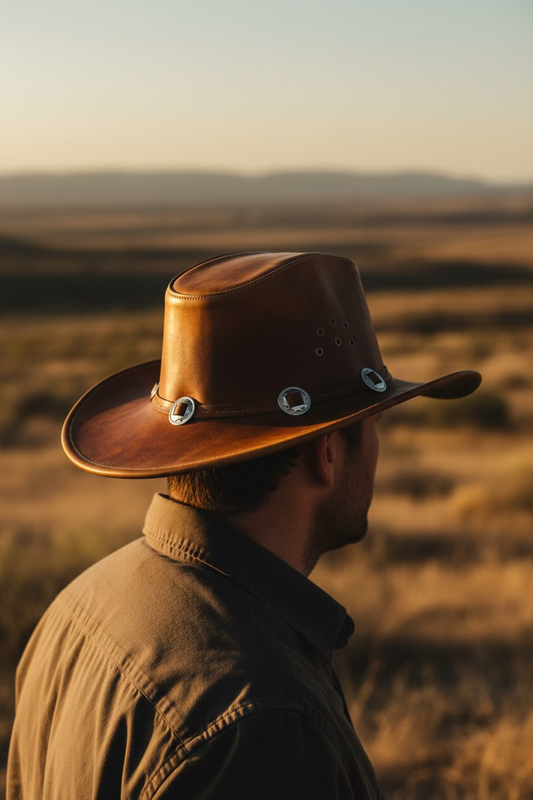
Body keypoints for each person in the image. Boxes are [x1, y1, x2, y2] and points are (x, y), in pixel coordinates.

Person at [7, 251, 481, 799]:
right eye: (371, 423)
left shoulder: (79, 604)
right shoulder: (264, 721)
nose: (377, 449)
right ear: (327, 452)